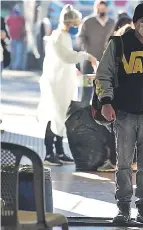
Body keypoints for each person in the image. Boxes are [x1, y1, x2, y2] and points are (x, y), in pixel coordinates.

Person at [95, 3, 143, 224]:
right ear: (135, 22)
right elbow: (103, 75)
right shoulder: (119, 44)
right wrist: (106, 101)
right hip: (124, 113)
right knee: (123, 163)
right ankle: (122, 208)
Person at [37, 4, 98, 166]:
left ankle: (59, 151)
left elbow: (65, 62)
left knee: (63, 116)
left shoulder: (64, 36)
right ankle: (49, 153)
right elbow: (67, 57)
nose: (76, 28)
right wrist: (87, 56)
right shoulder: (58, 37)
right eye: (75, 25)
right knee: (54, 115)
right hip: (56, 85)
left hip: (64, 83)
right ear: (68, 23)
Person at [97, 15, 137, 172]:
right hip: (128, 101)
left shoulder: (115, 47)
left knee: (115, 132)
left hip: (115, 99)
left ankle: (117, 162)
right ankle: (129, 162)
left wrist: (105, 100)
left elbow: (104, 74)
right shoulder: (131, 48)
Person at [78, 0, 115, 103]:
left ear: (107, 9)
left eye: (103, 8)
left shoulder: (112, 23)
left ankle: (99, 116)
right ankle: (83, 115)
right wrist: (87, 51)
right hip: (88, 62)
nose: (101, 10)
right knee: (86, 92)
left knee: (103, 92)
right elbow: (80, 38)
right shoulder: (88, 22)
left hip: (106, 64)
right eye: (99, 8)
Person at [6, 5, 27, 71]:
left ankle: (16, 67)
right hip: (11, 38)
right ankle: (11, 66)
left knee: (19, 53)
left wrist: (25, 36)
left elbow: (25, 27)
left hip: (19, 38)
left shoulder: (22, 18)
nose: (16, 14)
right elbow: (6, 27)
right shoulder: (9, 18)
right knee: (12, 54)